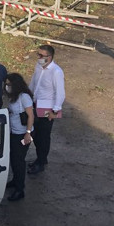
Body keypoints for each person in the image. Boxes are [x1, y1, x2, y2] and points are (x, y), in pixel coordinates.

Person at [27, 45, 65, 175]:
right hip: (36, 104)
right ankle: (41, 157)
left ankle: (41, 162)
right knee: (35, 134)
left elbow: (60, 93)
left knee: (43, 136)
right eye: (38, 55)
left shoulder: (56, 72)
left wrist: (55, 111)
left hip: (48, 108)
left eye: (42, 56)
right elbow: (33, 83)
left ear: (50, 57)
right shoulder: (38, 67)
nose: (39, 58)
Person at [4, 73, 35, 201]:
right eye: (6, 85)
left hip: (23, 134)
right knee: (14, 158)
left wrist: (28, 133)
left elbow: (31, 116)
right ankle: (15, 180)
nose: (7, 87)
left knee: (19, 161)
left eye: (9, 85)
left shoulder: (24, 97)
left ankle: (19, 189)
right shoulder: (14, 97)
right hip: (14, 132)